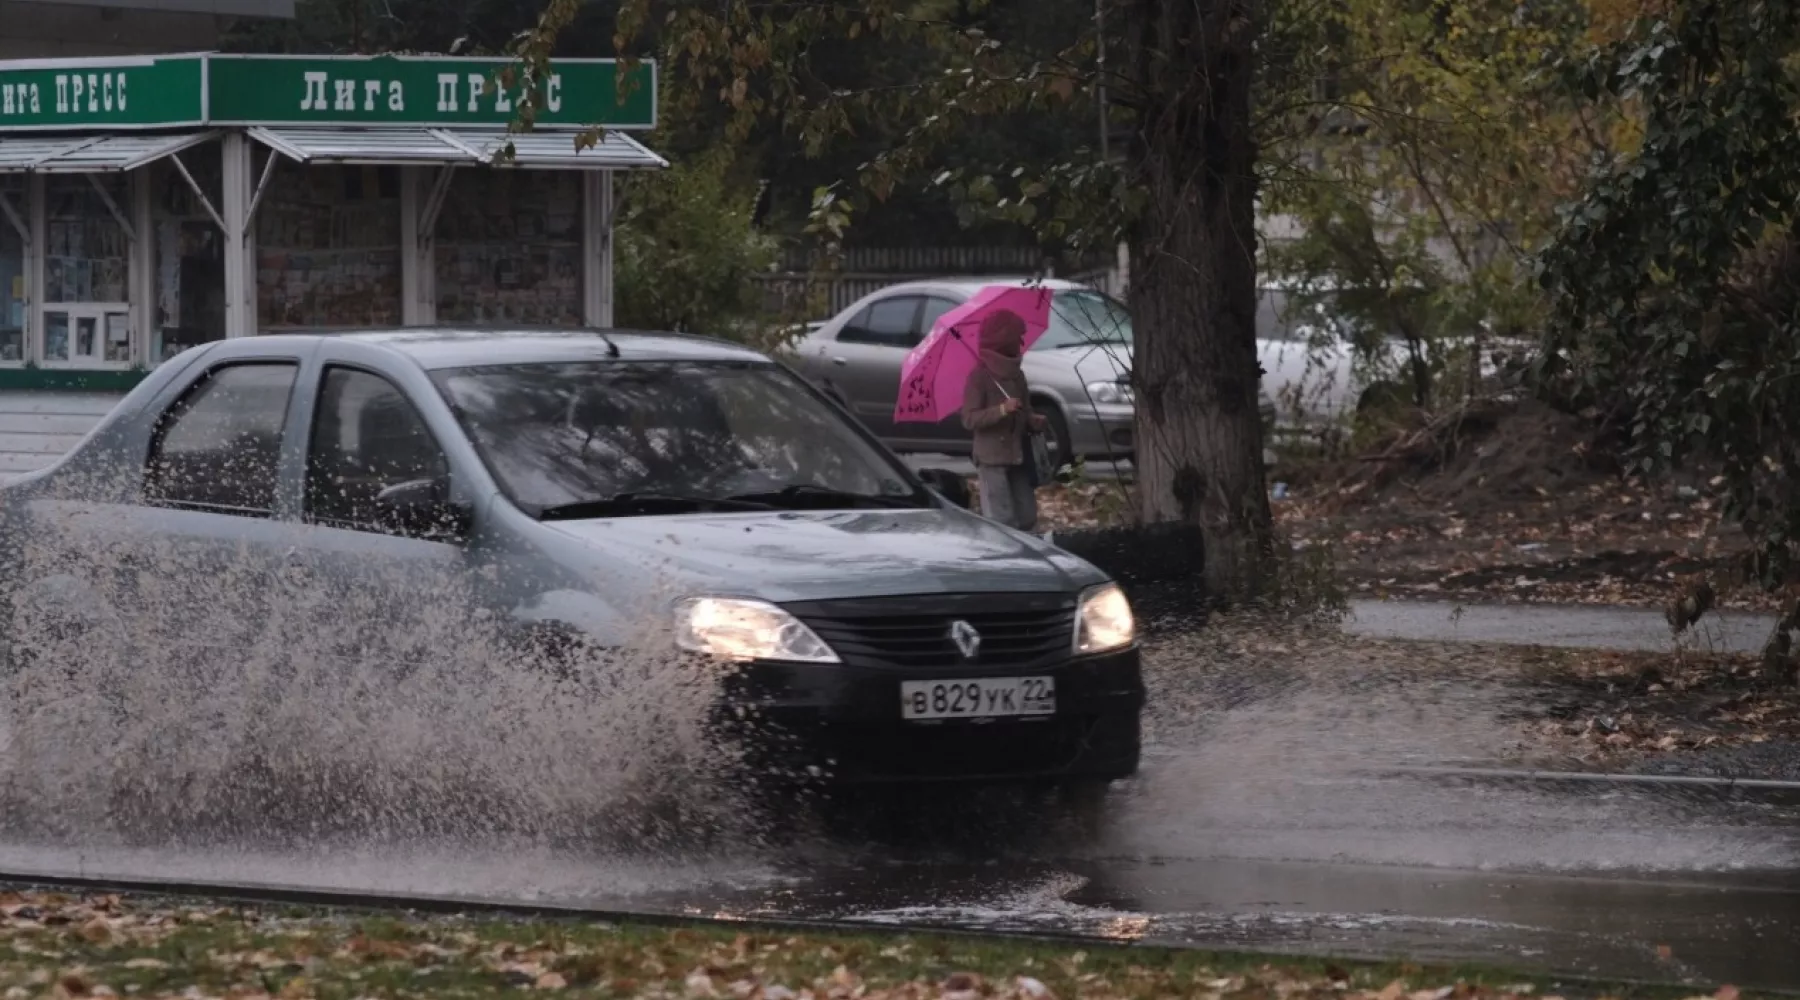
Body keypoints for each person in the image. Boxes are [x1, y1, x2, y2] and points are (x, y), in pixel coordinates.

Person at [961, 309, 1047, 531]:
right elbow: (969, 419)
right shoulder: (979, 376)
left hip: (1017, 455)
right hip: (991, 459)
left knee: (1027, 515)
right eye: (1016, 336)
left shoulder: (1017, 375)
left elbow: (1026, 408)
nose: (1020, 342)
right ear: (1003, 339)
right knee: (1001, 521)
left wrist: (1031, 419)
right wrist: (1000, 410)